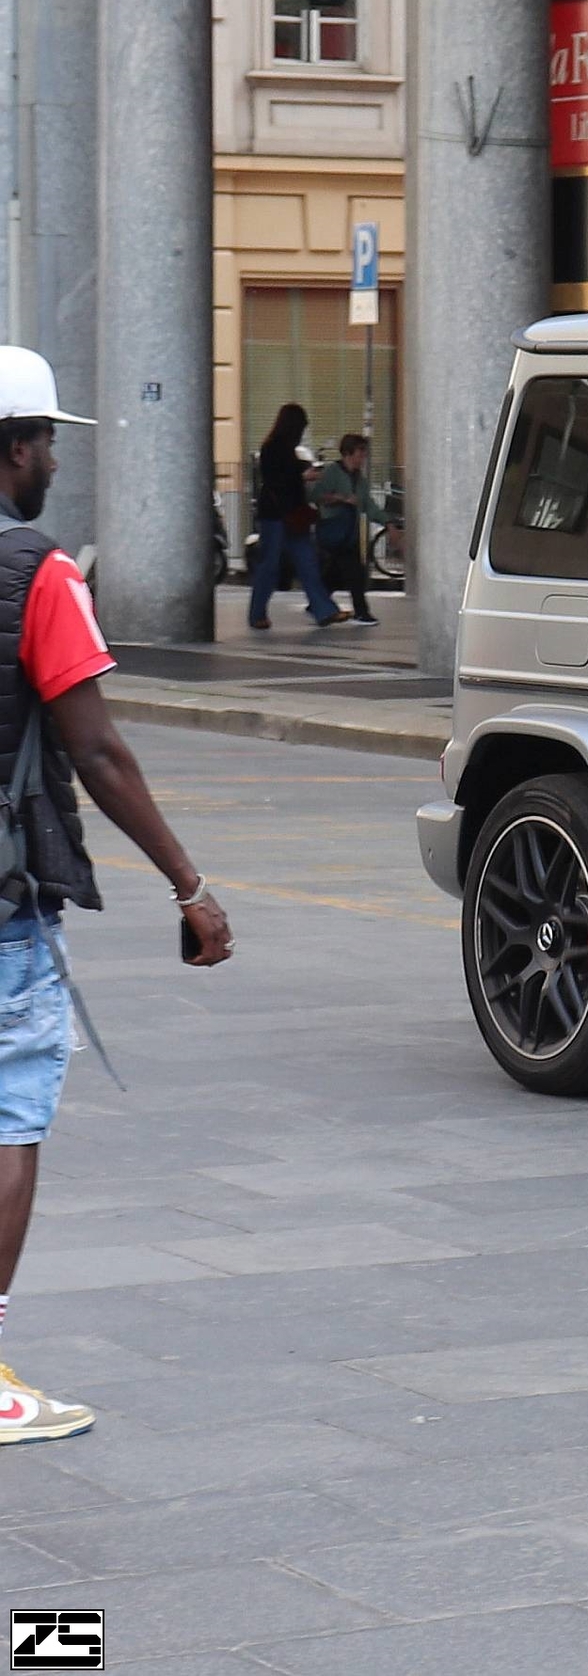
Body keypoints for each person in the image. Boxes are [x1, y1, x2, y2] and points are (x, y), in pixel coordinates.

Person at [0, 346, 233, 1444]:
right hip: (2, 905)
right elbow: (97, 751)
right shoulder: (41, 574)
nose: (53, 460)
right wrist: (190, 885)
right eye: (46, 440)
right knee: (7, 1118)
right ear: (13, 450)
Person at [247, 403, 345, 631]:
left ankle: (324, 610)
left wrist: (303, 471)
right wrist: (302, 474)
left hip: (287, 514)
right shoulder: (274, 448)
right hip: (278, 515)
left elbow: (286, 473)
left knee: (306, 561)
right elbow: (279, 479)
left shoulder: (278, 448)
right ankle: (257, 614)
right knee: (272, 565)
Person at [313, 433, 388, 629]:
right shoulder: (332, 473)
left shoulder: (360, 480)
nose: (363, 458)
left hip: (349, 534)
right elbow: (316, 495)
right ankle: (361, 612)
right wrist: (340, 498)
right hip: (335, 531)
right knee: (356, 573)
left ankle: (317, 603)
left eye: (364, 454)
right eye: (360, 453)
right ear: (348, 453)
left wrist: (387, 522)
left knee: (337, 574)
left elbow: (368, 506)